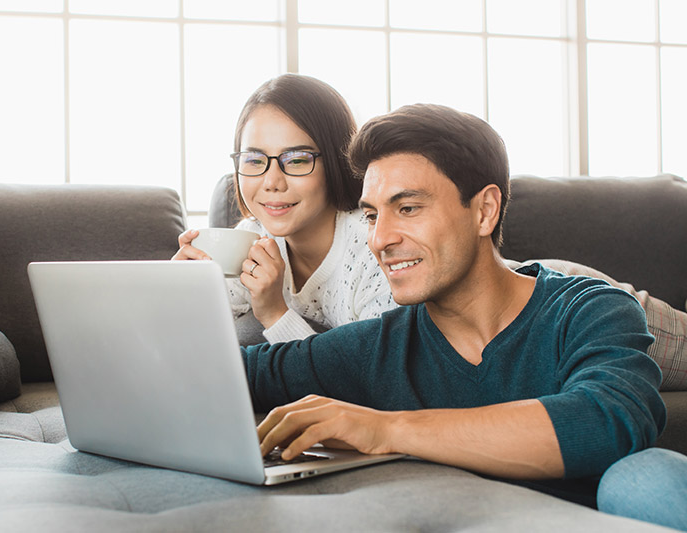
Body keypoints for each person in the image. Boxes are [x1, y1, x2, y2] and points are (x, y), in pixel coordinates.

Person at [240, 103, 686, 529]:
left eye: (408, 208)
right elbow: (240, 372)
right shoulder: (376, 347)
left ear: (485, 210)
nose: (380, 239)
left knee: (646, 478)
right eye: (373, 215)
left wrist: (385, 428)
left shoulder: (590, 309)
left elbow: (605, 421)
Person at [173, 74, 394, 343]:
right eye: (254, 160)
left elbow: (371, 377)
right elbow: (194, 342)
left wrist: (274, 313)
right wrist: (182, 293)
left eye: (297, 160)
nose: (272, 182)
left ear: (337, 161)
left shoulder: (377, 248)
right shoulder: (250, 237)